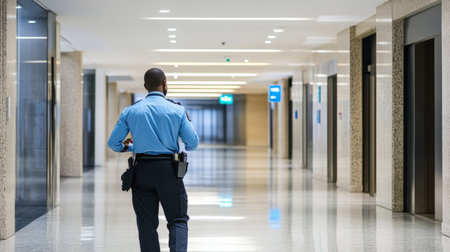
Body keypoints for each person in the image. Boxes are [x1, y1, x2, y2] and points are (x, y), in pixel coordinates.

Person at [107, 68, 199, 252]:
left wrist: (132, 146)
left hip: (141, 172)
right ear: (164, 82)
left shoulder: (131, 111)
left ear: (145, 86)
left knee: (146, 224)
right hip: (170, 171)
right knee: (178, 219)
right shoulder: (177, 110)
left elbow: (114, 143)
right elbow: (192, 143)